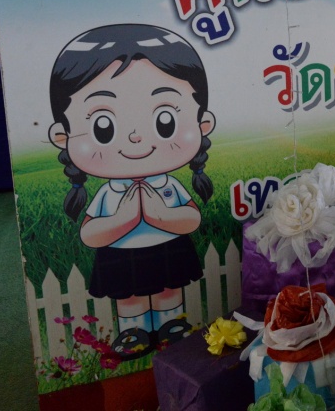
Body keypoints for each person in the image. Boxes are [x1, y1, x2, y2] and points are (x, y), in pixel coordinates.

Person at [48, 24, 216, 359]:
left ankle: (172, 325)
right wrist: (123, 220)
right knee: (129, 297)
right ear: (62, 137)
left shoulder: (167, 185)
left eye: (165, 120)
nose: (136, 138)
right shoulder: (109, 192)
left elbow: (192, 218)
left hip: (168, 245)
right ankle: (133, 331)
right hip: (121, 252)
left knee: (169, 289)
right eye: (103, 126)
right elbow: (90, 234)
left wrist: (162, 216)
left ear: (203, 125)